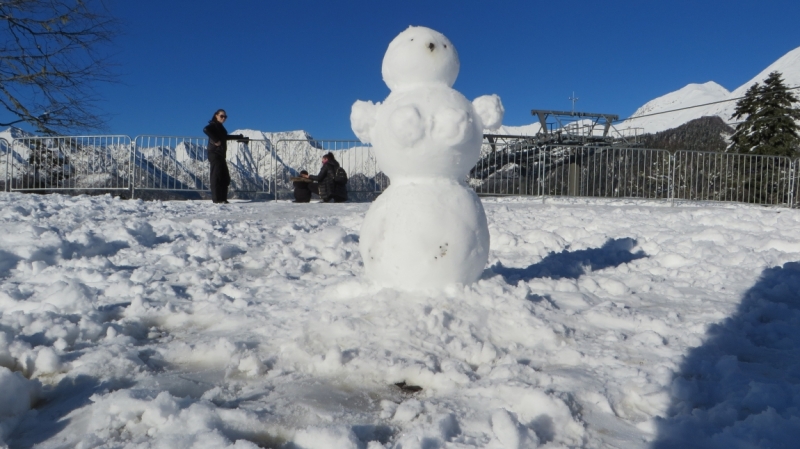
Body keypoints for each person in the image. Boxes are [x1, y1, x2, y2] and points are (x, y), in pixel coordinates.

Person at [202, 109, 247, 204]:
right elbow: (206, 129)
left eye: (225, 117)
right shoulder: (213, 125)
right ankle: (217, 199)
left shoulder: (220, 127)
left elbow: (225, 137)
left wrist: (239, 137)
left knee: (224, 177)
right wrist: (215, 140)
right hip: (214, 153)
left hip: (221, 155)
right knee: (216, 176)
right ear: (216, 115)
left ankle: (223, 199)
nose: (224, 118)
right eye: (221, 116)